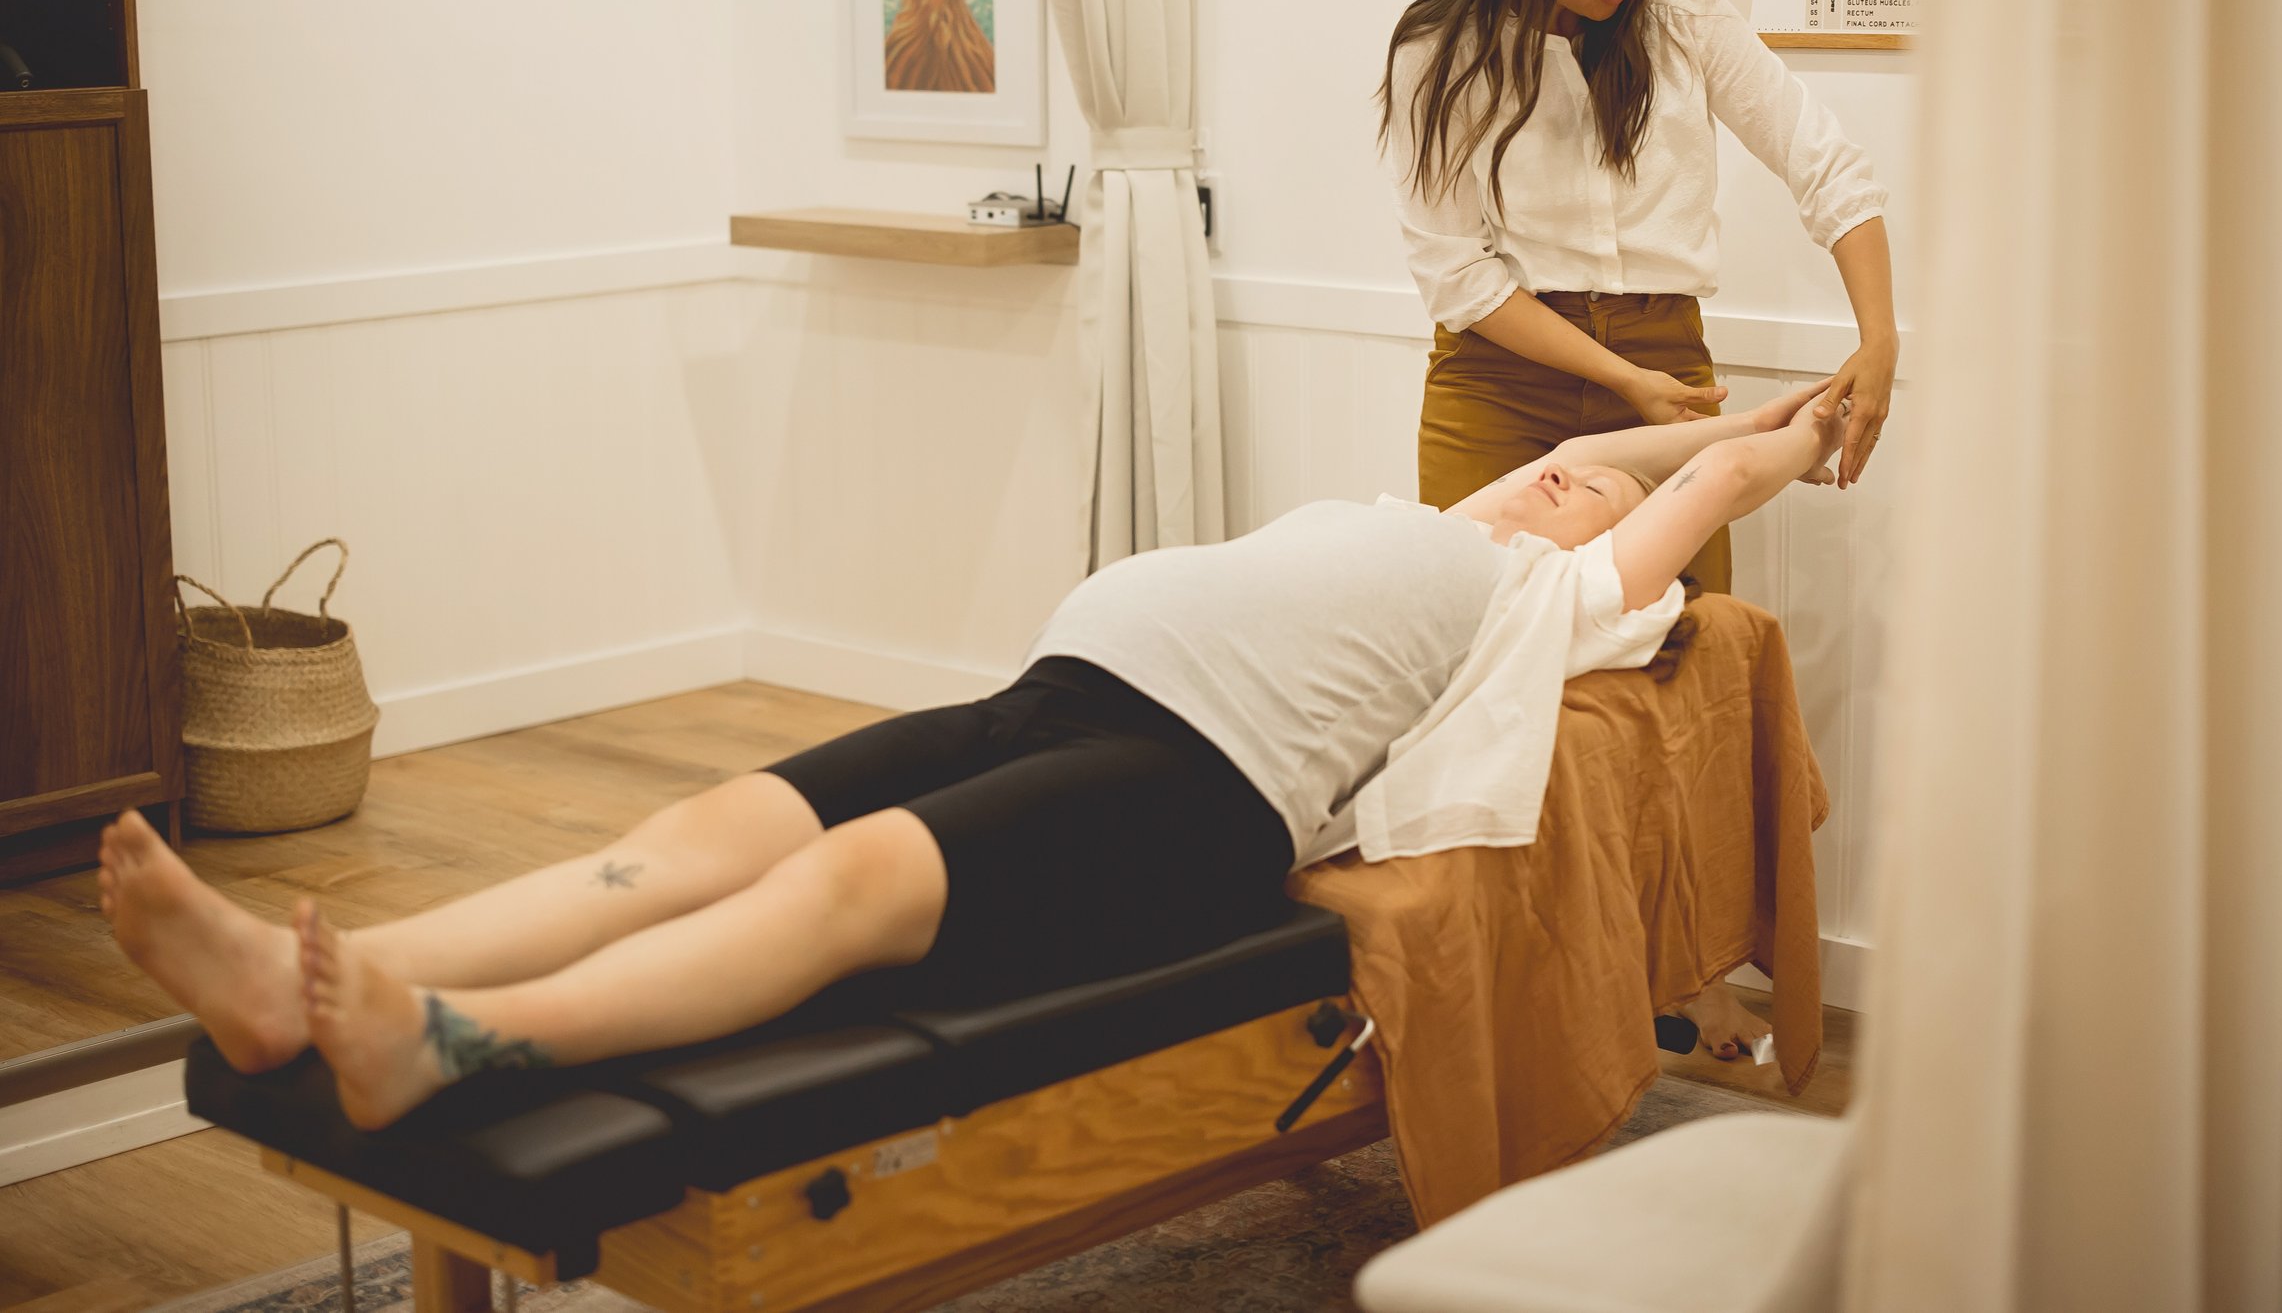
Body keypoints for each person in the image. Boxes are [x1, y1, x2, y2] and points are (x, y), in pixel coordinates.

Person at [99, 382, 1845, 1131]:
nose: (1572, 478)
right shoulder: (1466, 510)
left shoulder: (1553, 590)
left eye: (1597, 490)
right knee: (721, 821)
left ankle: (452, 1044)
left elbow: (1692, 485)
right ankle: (299, 978)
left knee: (849, 884)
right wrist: (1671, 423)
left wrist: (1797, 421)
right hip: (1070, 689)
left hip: (1202, 790)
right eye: (1560, 470)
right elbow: (1626, 436)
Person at [1383, 0, 1898, 595]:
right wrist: (1620, 377)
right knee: (1474, 639)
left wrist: (1879, 336)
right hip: (1498, 385)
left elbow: (1820, 157)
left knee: (1683, 648)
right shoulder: (1442, 54)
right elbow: (1460, 277)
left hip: (1666, 371)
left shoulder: (1677, 6)